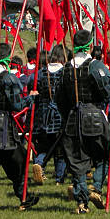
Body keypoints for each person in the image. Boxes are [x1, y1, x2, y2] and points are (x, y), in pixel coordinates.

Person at [56, 30, 110, 214]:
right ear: (90, 45)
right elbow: (107, 91)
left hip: (72, 118)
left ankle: (82, 202)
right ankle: (96, 187)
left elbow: (60, 99)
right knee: (106, 154)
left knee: (77, 162)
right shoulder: (94, 65)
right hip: (93, 117)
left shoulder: (65, 69)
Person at [0, 43, 40, 218]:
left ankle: (23, 196)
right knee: (17, 161)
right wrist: (30, 99)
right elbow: (16, 104)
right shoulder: (8, 78)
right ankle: (22, 196)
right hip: (3, 128)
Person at [30, 45, 67, 186]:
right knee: (60, 147)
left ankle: (39, 163)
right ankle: (59, 178)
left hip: (43, 113)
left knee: (45, 145)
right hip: (59, 112)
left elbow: (32, 85)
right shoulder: (64, 72)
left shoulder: (41, 72)